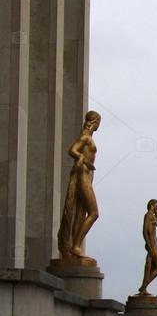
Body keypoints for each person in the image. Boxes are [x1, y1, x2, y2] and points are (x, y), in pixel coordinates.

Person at [56, 110, 101, 264]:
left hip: (87, 175)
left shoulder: (88, 138)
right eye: (98, 122)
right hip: (83, 175)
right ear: (95, 122)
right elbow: (72, 150)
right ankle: (75, 246)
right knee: (94, 212)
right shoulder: (86, 137)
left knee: (82, 212)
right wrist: (83, 159)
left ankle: (75, 246)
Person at [138, 199, 157, 295]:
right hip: (151, 244)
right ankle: (143, 286)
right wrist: (148, 243)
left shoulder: (152, 215)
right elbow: (144, 231)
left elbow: (156, 222)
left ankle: (143, 288)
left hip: (153, 243)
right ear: (152, 204)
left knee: (149, 265)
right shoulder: (148, 215)